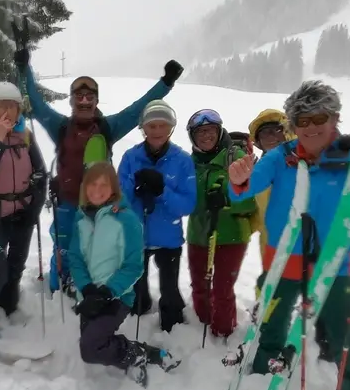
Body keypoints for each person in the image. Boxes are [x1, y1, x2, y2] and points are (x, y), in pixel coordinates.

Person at [227, 81, 350, 390]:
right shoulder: (281, 157)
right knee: (273, 320)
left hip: (333, 260)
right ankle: (262, 368)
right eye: (302, 121)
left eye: (318, 117)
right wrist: (238, 177)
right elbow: (245, 190)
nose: (311, 127)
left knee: (345, 330)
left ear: (334, 118)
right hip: (284, 254)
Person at [14, 46, 183, 296]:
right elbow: (36, 105)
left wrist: (166, 83)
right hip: (68, 200)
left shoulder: (107, 127)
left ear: (95, 100)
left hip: (100, 205)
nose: (84, 101)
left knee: (94, 248)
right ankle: (57, 289)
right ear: (72, 101)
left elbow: (138, 109)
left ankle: (92, 286)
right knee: (63, 247)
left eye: (89, 97)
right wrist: (23, 68)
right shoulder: (60, 126)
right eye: (79, 97)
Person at [68, 162, 181, 386]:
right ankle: (146, 352)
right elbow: (75, 258)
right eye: (92, 184)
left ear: (114, 188)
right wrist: (88, 289)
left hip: (117, 297)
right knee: (96, 343)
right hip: (89, 296)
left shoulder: (127, 220)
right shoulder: (81, 219)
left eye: (104, 184)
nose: (97, 190)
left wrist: (108, 292)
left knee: (90, 349)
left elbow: (133, 265)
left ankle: (136, 355)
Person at [0, 82, 48, 338]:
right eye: (2, 106)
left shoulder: (26, 137)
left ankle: (9, 304)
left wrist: (34, 208)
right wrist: (0, 138)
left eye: (12, 107)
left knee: (15, 267)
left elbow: (40, 172)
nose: (8, 112)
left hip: (22, 212)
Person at [117, 101, 197, 333]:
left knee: (169, 287)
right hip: (136, 235)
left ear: (171, 127)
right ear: (143, 128)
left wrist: (162, 191)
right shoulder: (131, 157)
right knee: (136, 288)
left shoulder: (182, 160)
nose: (157, 131)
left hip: (168, 237)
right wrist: (134, 186)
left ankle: (172, 321)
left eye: (163, 125)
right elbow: (119, 197)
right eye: (152, 126)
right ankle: (139, 307)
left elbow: (187, 205)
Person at [184, 109, 261, 341]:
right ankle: (202, 322)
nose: (206, 136)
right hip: (198, 233)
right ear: (192, 137)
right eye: (201, 132)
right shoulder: (189, 164)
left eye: (210, 130)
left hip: (231, 236)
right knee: (199, 283)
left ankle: (223, 331)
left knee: (222, 288)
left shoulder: (237, 158)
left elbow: (252, 203)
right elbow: (186, 202)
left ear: (219, 132)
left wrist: (228, 200)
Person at [246, 109, 292, 270]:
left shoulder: (304, 162)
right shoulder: (258, 172)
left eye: (276, 131)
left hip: (304, 249)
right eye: (264, 133)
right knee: (270, 293)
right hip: (270, 249)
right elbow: (257, 213)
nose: (271, 137)